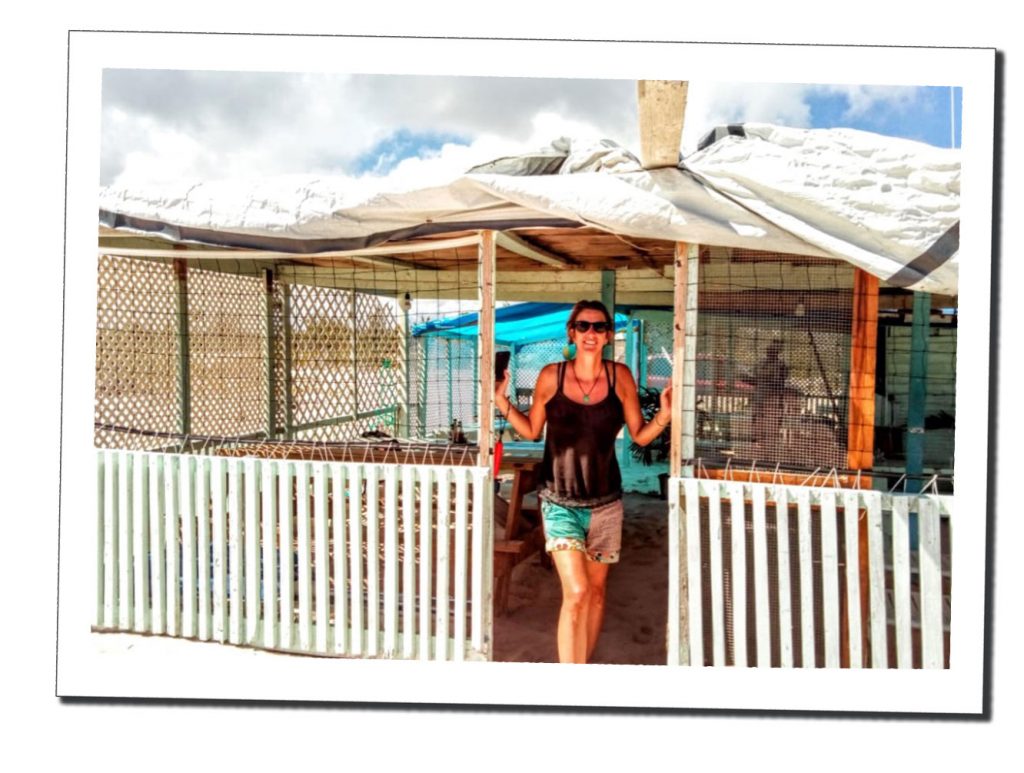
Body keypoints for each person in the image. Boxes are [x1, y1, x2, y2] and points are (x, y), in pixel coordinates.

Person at [494, 300, 671, 664]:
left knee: (596, 593)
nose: (592, 333)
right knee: (576, 592)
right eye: (584, 326)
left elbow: (638, 435)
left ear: (609, 335)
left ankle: (583, 674)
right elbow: (529, 431)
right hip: (559, 502)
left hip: (606, 504)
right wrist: (501, 401)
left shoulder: (620, 376)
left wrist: (665, 416)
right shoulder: (550, 376)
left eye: (599, 327)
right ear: (571, 333)